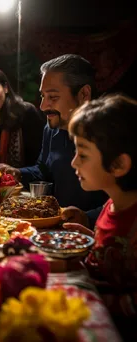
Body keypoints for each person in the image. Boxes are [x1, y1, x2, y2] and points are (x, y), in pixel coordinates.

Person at [0, 54, 107, 227]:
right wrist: (18, 173)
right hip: (56, 230)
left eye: (53, 97)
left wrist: (87, 218)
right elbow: (43, 169)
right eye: (42, 96)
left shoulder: (110, 135)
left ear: (84, 94)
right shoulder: (51, 130)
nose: (43, 106)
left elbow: (128, 198)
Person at [68, 94, 137, 340]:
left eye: (83, 154)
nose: (74, 162)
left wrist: (92, 297)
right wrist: (87, 244)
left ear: (118, 164)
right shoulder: (112, 204)